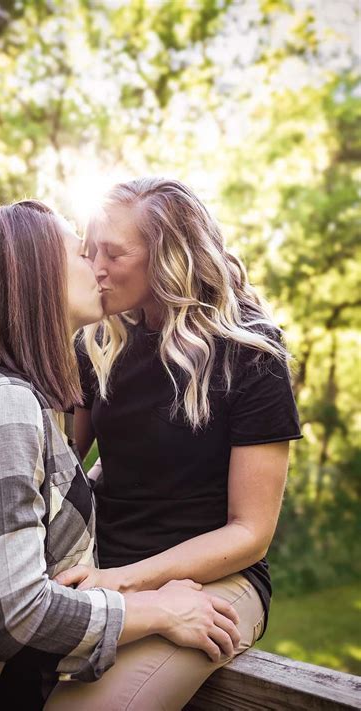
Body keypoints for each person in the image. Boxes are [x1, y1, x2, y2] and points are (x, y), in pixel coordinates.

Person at [0, 199, 241, 711]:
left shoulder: (22, 403)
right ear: (37, 278)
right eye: (81, 254)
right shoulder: (5, 405)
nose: (98, 269)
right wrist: (158, 610)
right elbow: (15, 615)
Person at [47, 177, 303, 710]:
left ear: (169, 259)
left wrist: (122, 582)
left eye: (114, 253)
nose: (95, 267)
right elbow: (63, 468)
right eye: (90, 250)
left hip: (215, 580)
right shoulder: (97, 343)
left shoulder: (251, 353)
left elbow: (250, 532)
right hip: (106, 571)